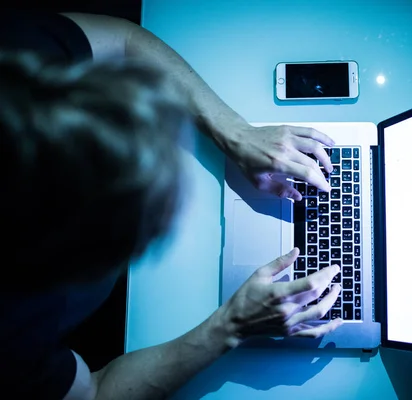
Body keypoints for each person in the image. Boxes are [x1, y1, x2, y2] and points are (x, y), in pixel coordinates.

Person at [0, 10, 343, 400]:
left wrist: (234, 131)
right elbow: (95, 394)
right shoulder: (12, 349)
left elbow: (123, 42)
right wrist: (230, 326)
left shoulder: (16, 59)